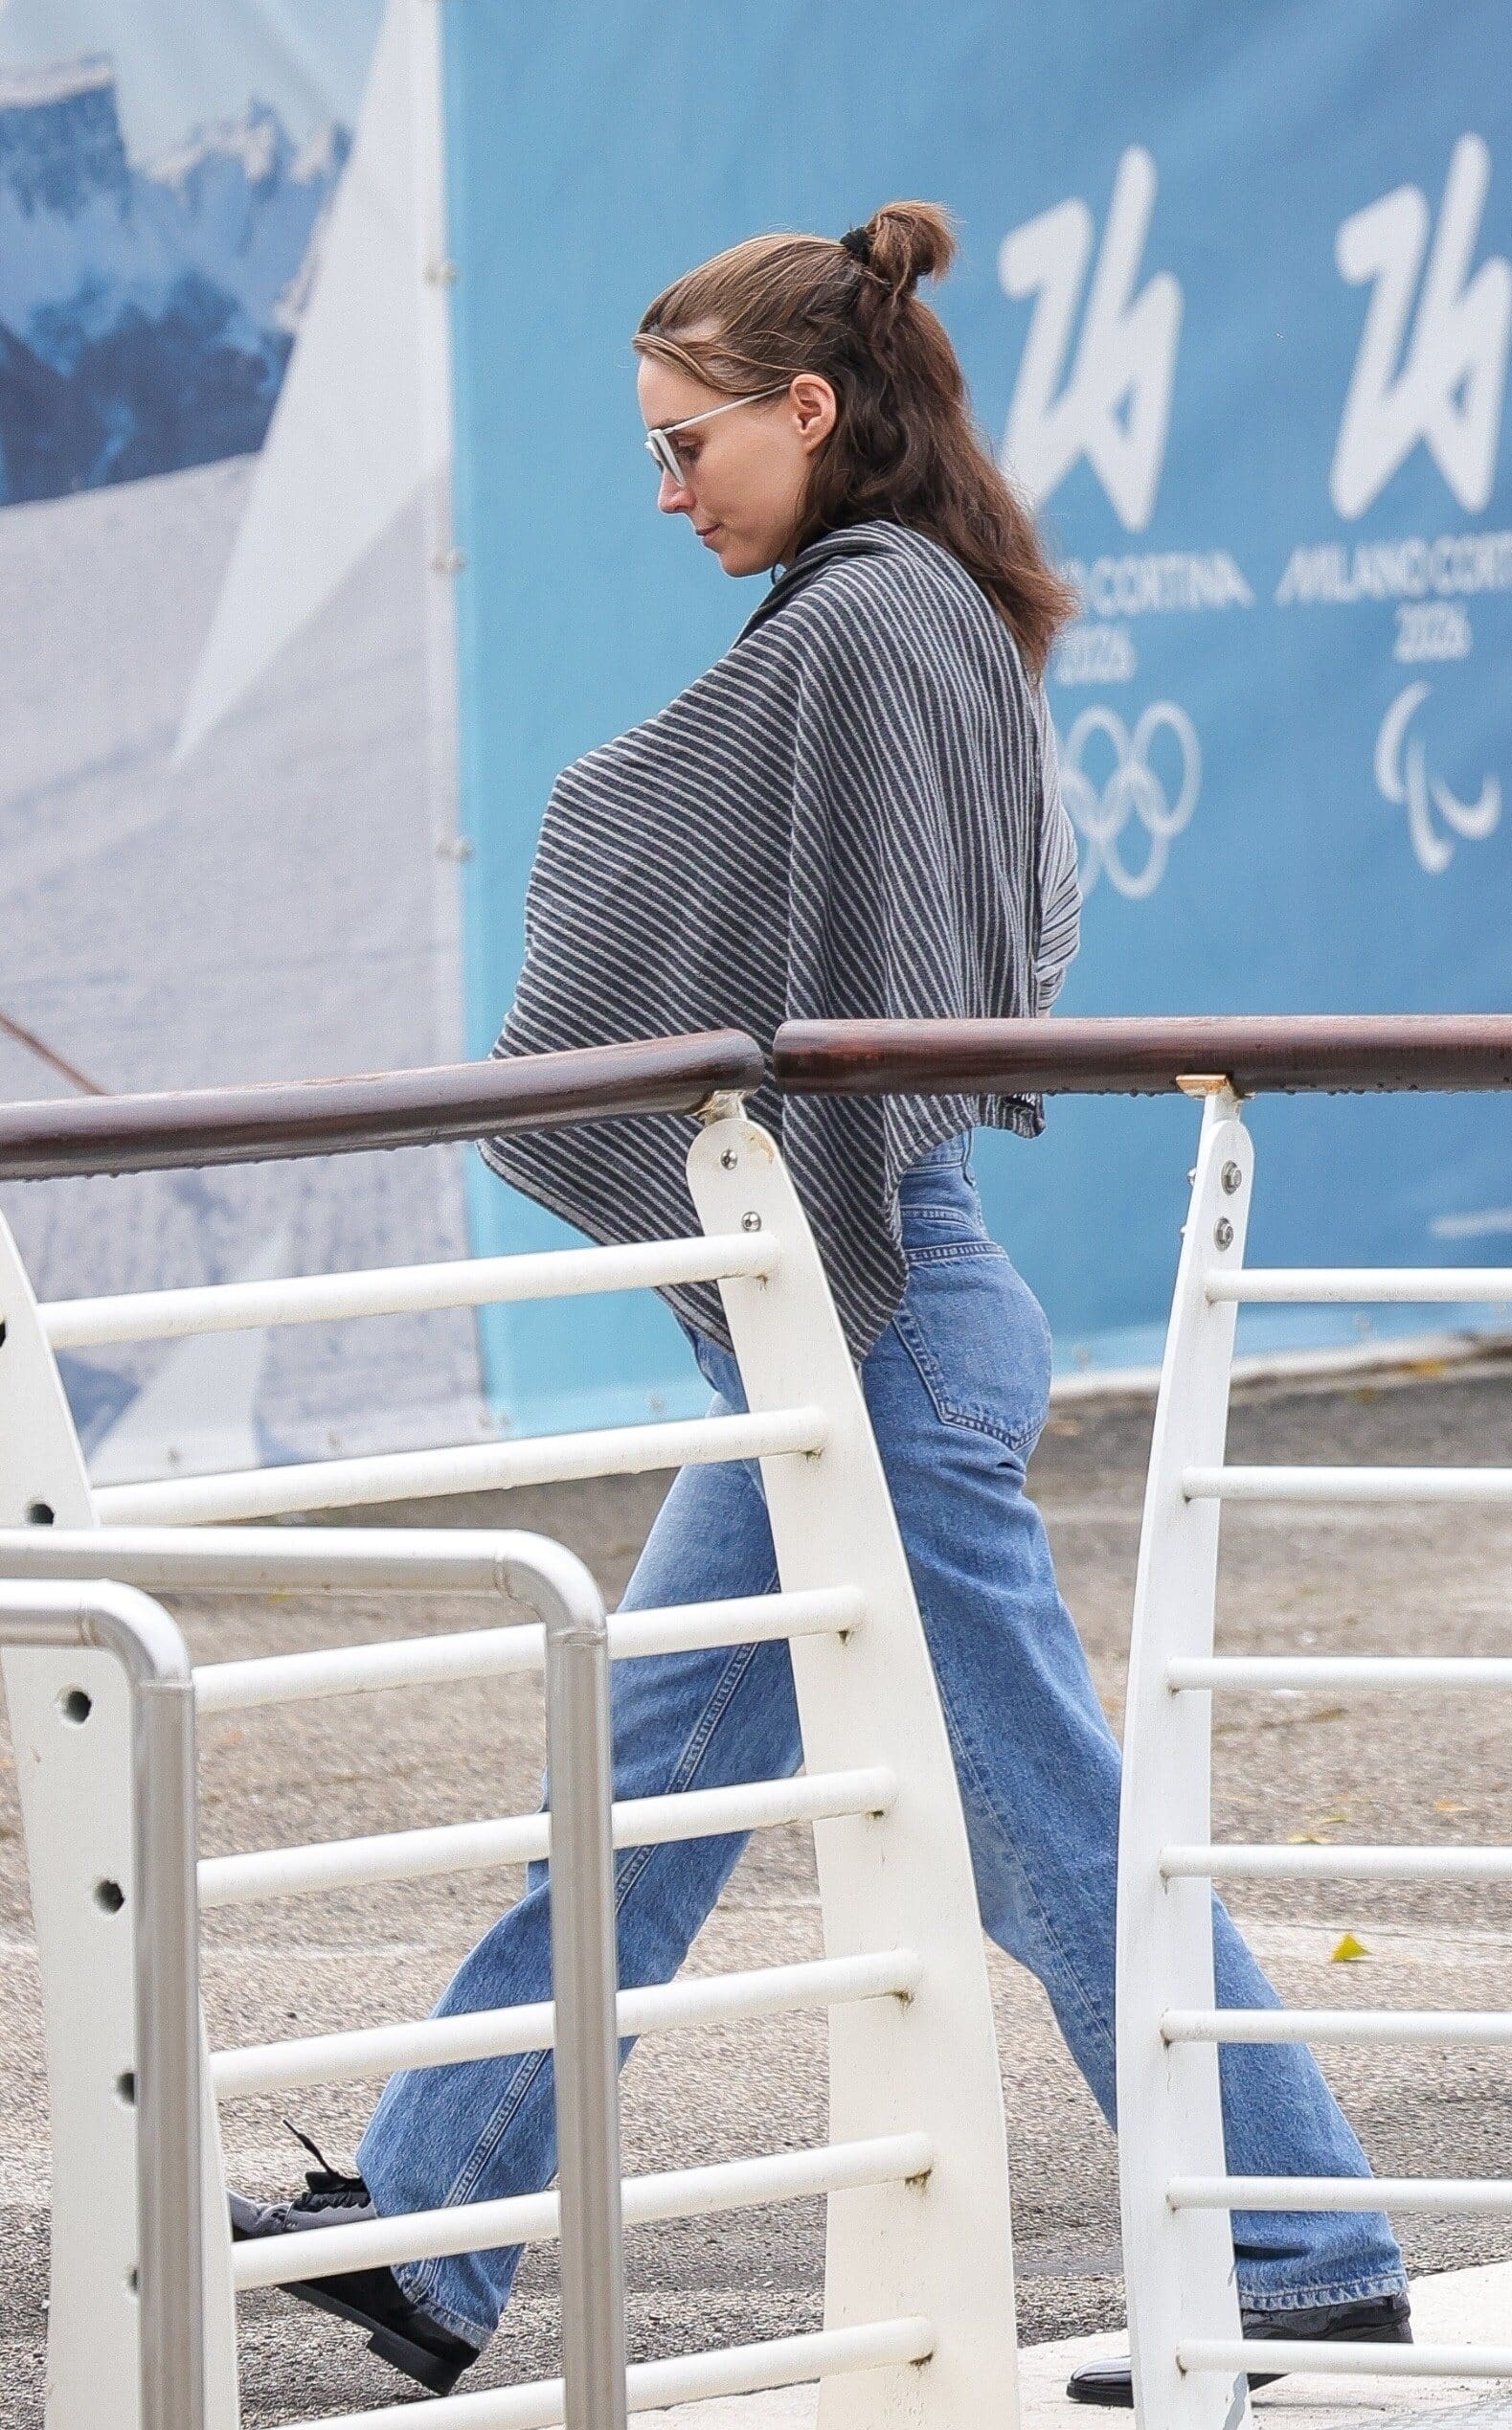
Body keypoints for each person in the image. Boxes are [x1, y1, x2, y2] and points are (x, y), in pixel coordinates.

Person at [226, 202, 1410, 2409]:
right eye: (650, 458)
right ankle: (435, 2215)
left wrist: (615, 875)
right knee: (649, 1781)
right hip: (875, 1309)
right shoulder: (932, 613)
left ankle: (1303, 2240)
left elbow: (690, 874)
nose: (667, 491)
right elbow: (1000, 924)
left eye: (689, 447)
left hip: (876, 1307)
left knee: (1042, 1818)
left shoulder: (862, 629)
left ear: (810, 407)